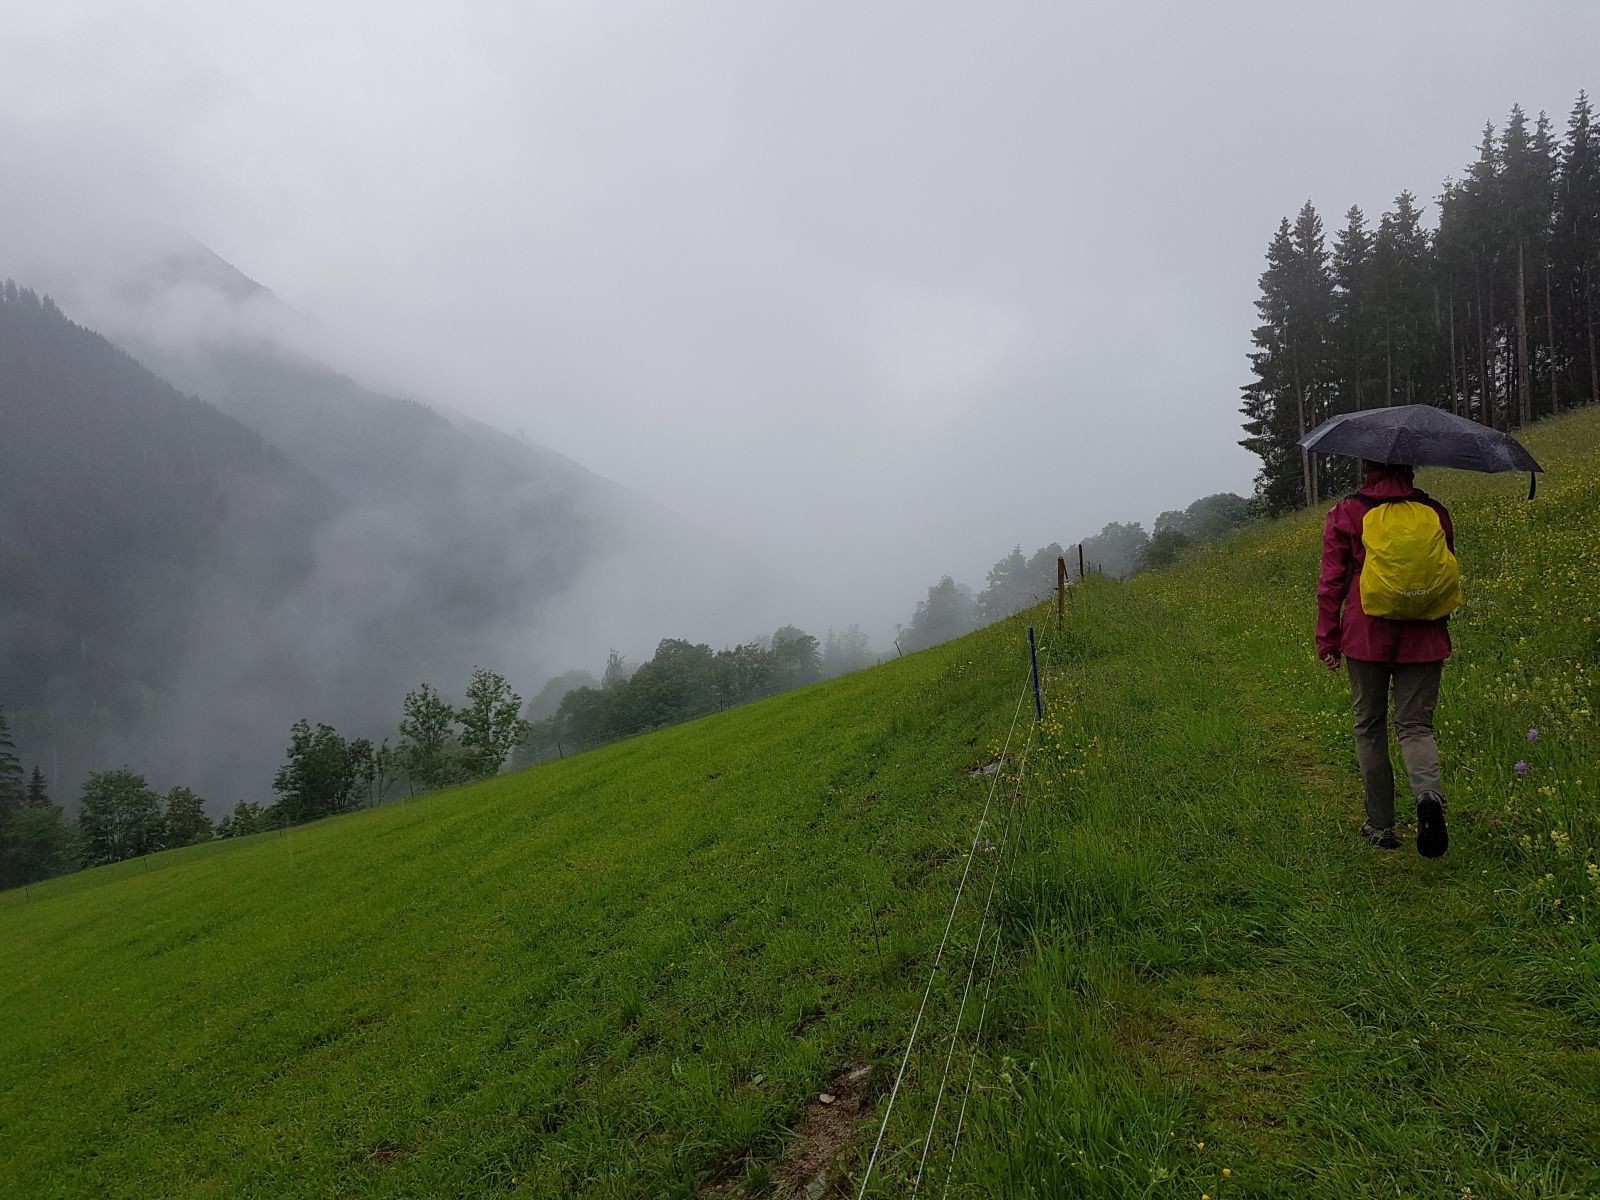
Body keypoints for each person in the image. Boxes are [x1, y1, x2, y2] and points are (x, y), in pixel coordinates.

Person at [1316, 461, 1452, 857]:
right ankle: (1428, 798)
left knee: (1369, 726)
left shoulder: (1348, 511)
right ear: (1409, 467)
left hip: (1365, 635)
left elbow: (1331, 584)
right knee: (1415, 727)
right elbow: (1445, 574)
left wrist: (1328, 638)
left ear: (1366, 467)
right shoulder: (1434, 511)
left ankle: (1380, 825)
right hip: (1424, 635)